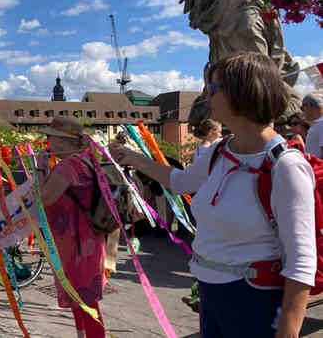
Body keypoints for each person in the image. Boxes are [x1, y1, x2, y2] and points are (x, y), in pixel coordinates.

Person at [111, 53, 315, 337]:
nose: (207, 95)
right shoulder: (219, 151)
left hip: (254, 299)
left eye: (213, 88)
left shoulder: (286, 166)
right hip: (211, 292)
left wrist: (288, 331)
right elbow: (179, 181)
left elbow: (302, 260)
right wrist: (133, 156)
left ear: (243, 92)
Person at [34, 116, 109, 338]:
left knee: (86, 302)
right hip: (89, 240)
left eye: (51, 136)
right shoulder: (87, 160)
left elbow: (43, 198)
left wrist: (40, 168)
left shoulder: (68, 167)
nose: (47, 141)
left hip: (77, 244)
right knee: (82, 299)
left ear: (64, 140)